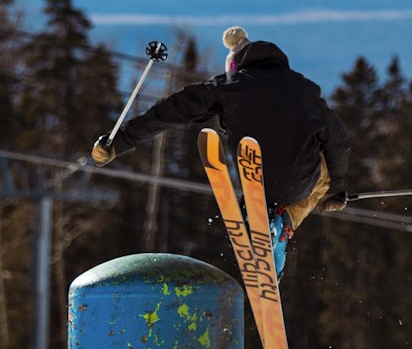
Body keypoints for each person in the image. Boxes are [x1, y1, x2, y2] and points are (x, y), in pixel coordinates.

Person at [91, 27, 350, 277]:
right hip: (300, 183)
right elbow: (337, 140)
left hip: (257, 178)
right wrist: (335, 189)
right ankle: (283, 226)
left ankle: (264, 218)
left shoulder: (230, 85)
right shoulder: (306, 89)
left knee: (273, 177)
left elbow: (173, 109)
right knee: (322, 177)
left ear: (234, 66)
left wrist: (120, 140)